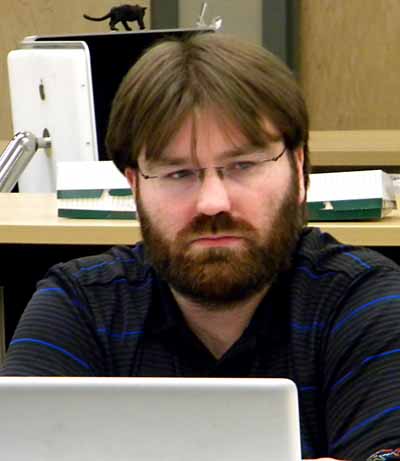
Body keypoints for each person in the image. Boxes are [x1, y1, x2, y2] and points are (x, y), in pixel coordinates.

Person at [1, 32, 400, 461]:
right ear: (134, 186)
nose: (212, 202)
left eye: (243, 165)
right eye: (178, 173)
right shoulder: (79, 306)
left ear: (299, 169)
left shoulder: (367, 302)